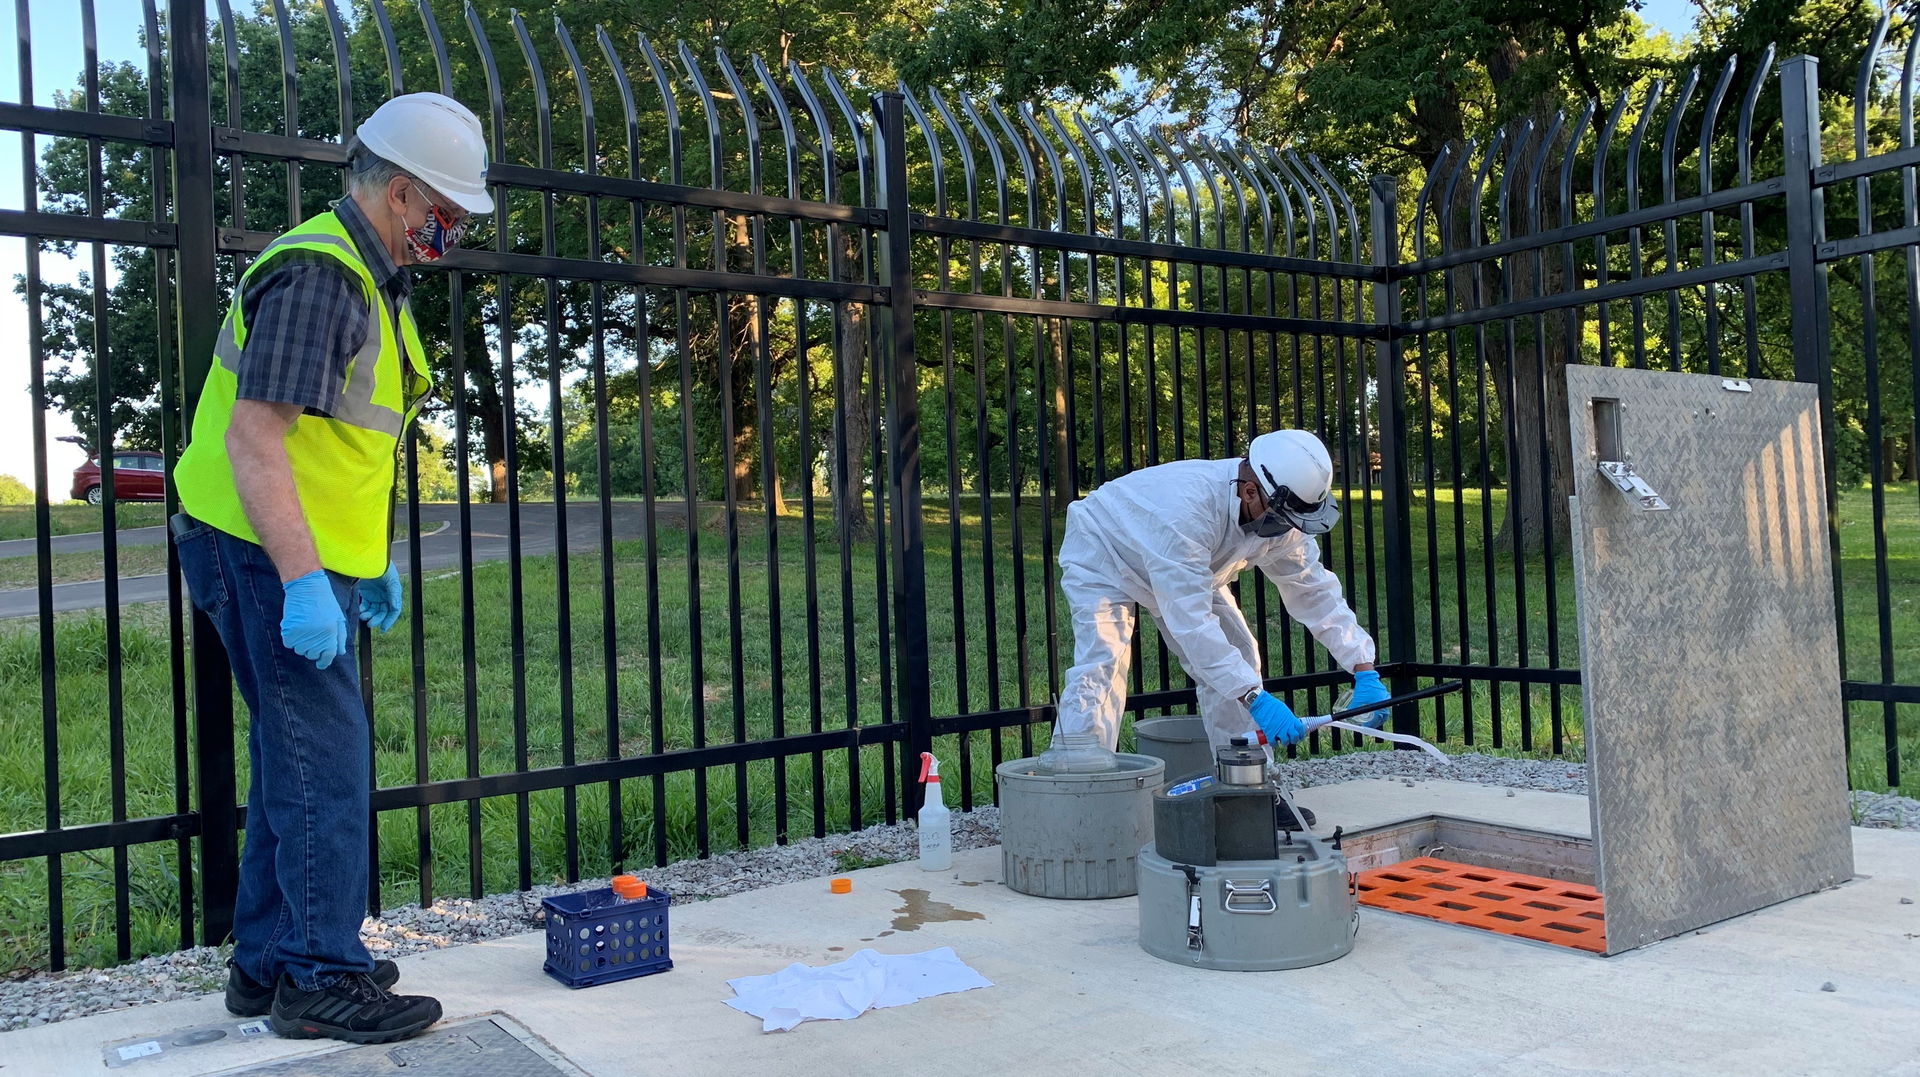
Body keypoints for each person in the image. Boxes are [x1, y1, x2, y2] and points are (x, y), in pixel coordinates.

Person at [171, 92, 492, 1045]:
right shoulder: (323, 274)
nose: (451, 233)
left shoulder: (365, 277)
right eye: (448, 214)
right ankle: (321, 973)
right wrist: (308, 582)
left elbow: (343, 450)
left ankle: (269, 962)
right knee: (328, 764)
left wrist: (371, 560)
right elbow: (256, 439)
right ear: (402, 195)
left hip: (294, 555)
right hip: (263, 552)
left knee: (291, 760)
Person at [1041, 429, 1393, 773]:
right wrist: (1256, 700)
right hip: (1106, 550)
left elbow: (1315, 592)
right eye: (1283, 520)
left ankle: (1249, 787)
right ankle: (1075, 788)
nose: (1289, 531)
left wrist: (1363, 668)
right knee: (1102, 664)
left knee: (1239, 656)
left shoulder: (1281, 517)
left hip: (1187, 565)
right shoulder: (1188, 513)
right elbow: (1192, 625)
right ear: (1250, 490)